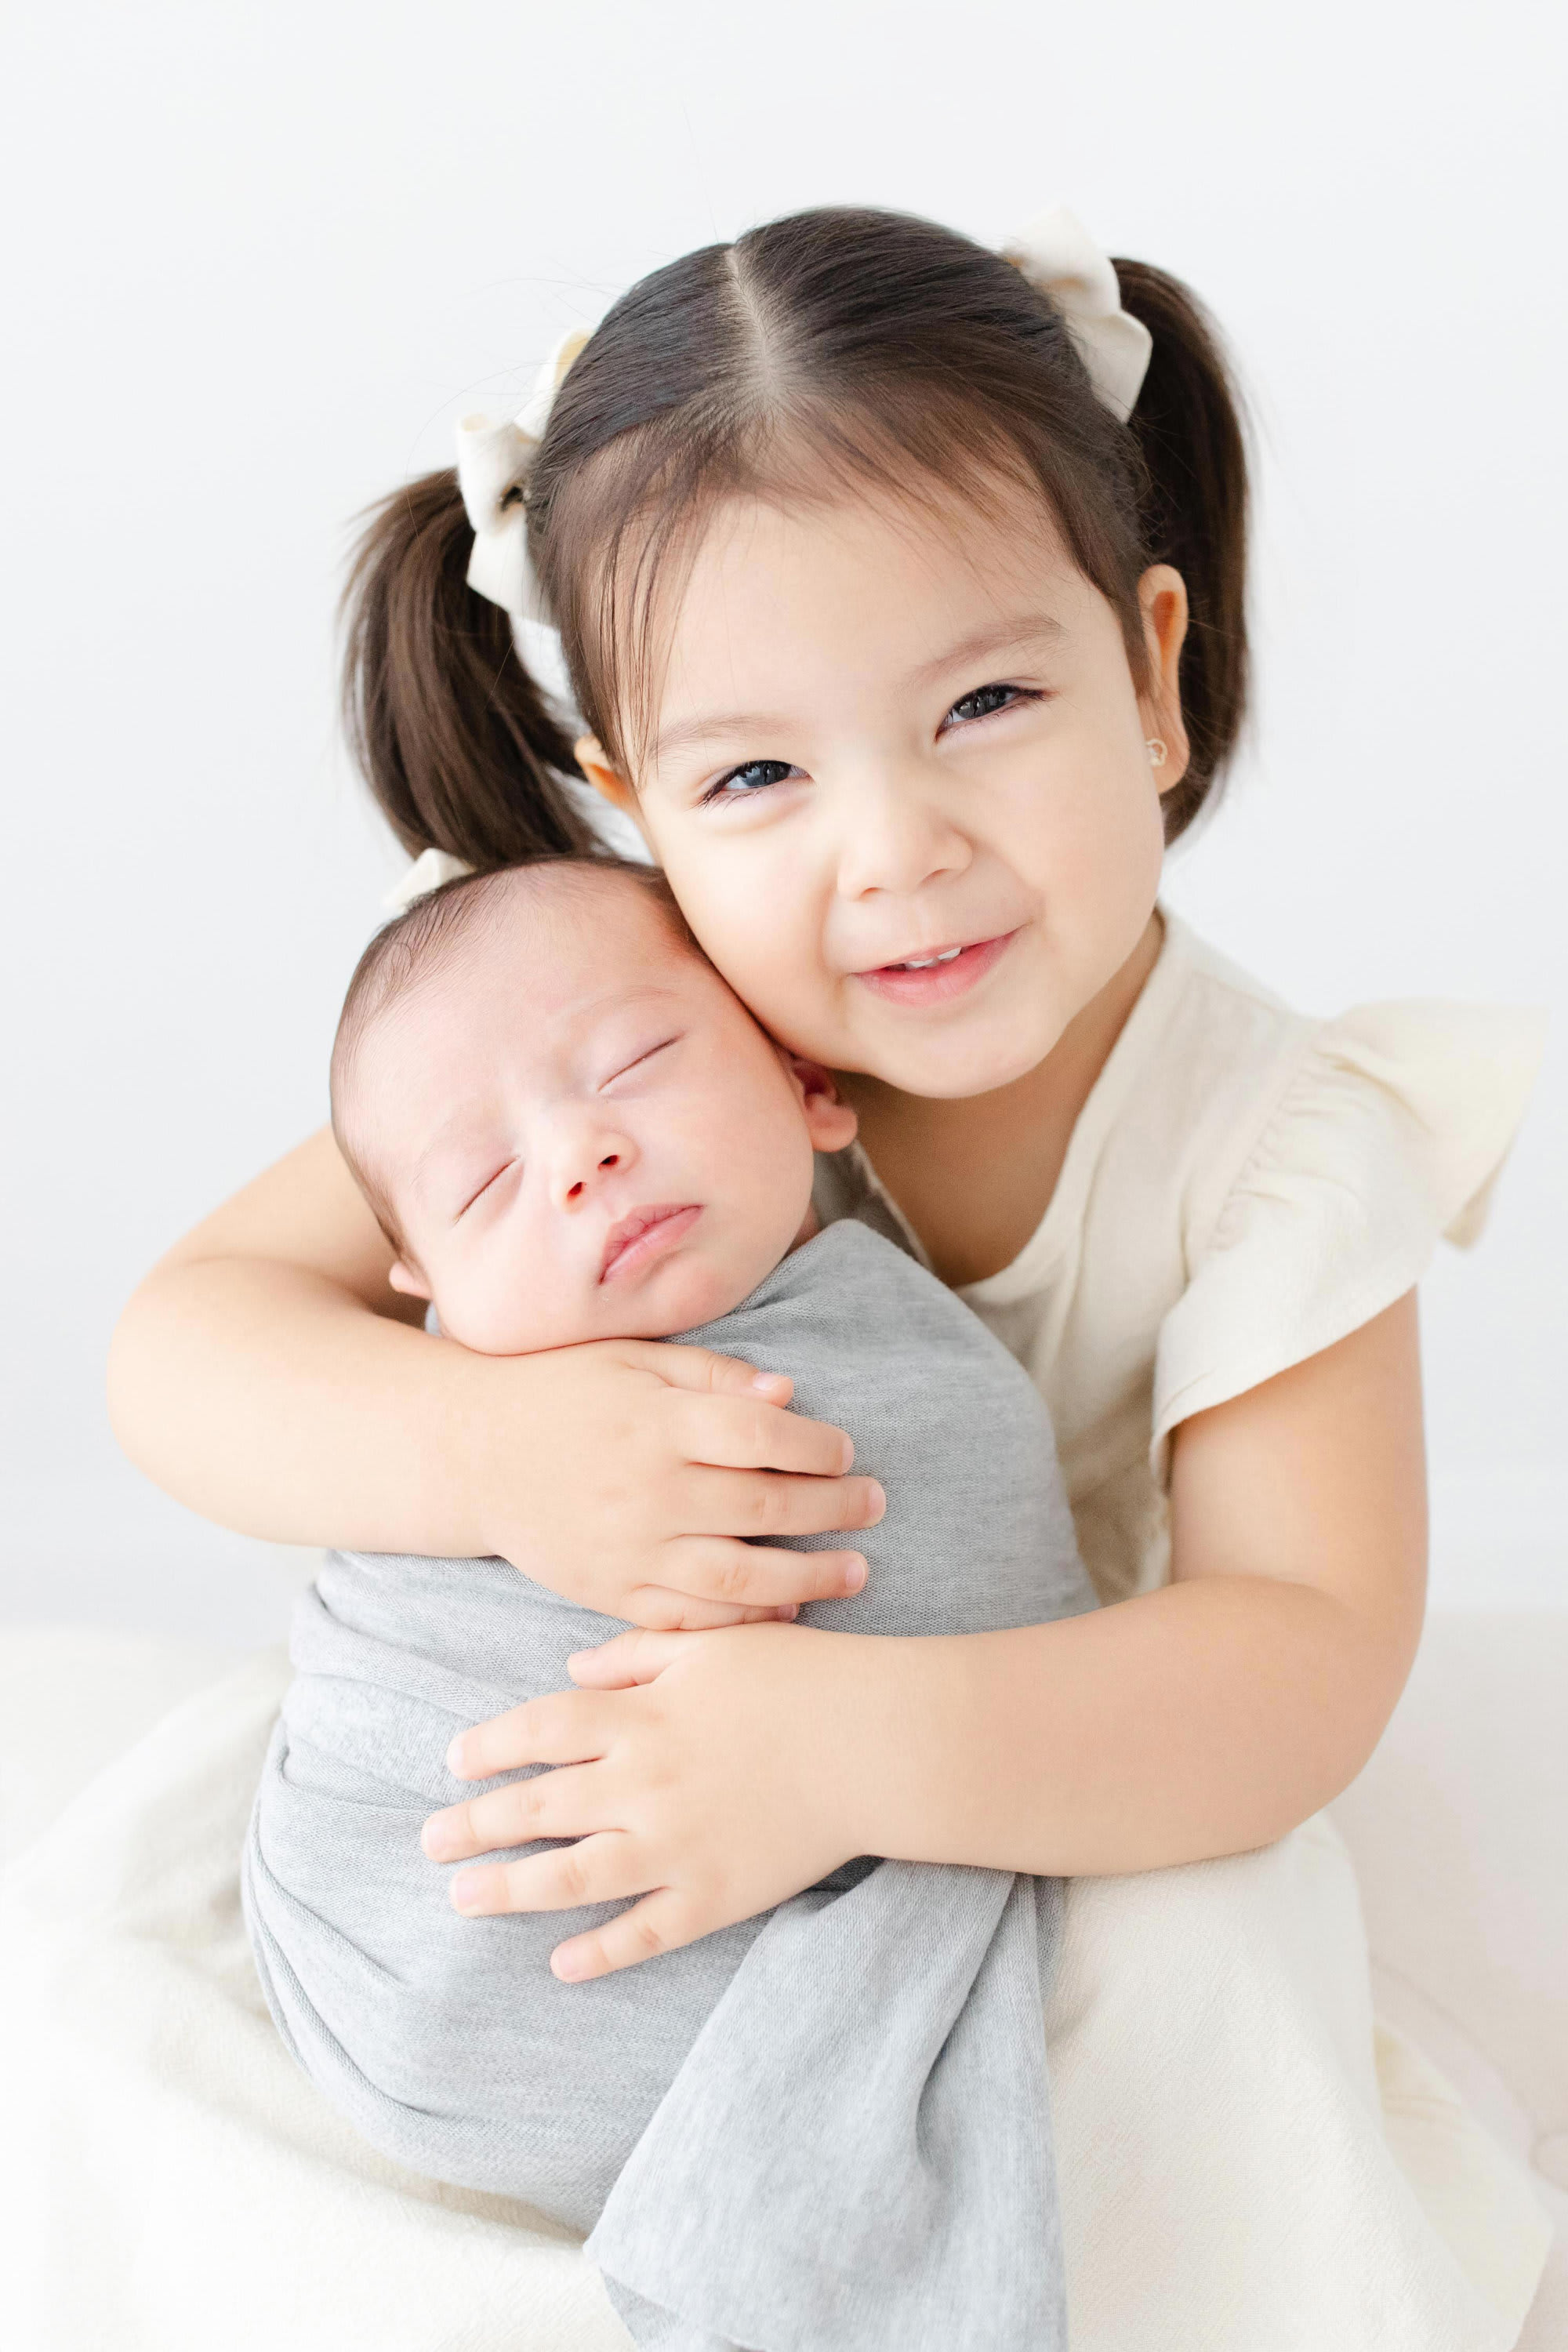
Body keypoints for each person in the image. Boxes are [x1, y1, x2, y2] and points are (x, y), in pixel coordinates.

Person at [111, 202, 1552, 2348]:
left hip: (1033, 1772)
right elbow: (184, 1348)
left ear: (1150, 672)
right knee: (159, 1982)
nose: (890, 852)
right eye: (760, 775)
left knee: (1199, 1991)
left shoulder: (1269, 1140)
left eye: (982, 699)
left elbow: (1299, 1656)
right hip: (624, 1807)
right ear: (634, 804)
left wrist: (853, 1752)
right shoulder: (620, 1026)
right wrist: (483, 1443)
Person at [243, 851, 1094, 2350]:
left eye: (635, 1064)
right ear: (425, 1286)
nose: (578, 1155)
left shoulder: (912, 1386)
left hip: (598, 2005)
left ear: (808, 1087)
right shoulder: (452, 1403)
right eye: (489, 1183)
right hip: (369, 1916)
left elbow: (1013, 1647)